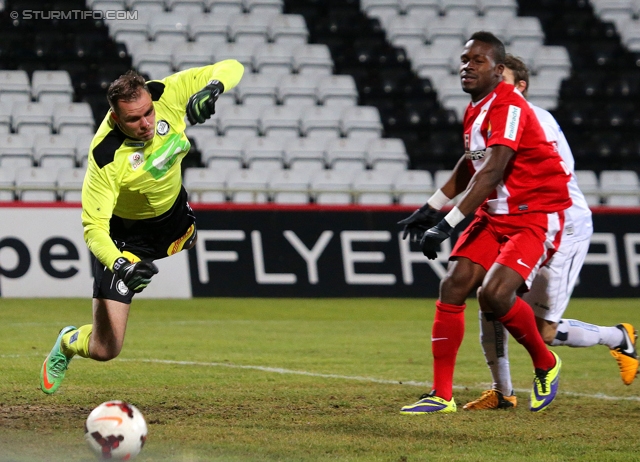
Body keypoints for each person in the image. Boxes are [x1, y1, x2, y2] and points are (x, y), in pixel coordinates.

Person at [40, 61, 244, 394]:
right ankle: (68, 341)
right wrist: (122, 265)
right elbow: (93, 228)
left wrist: (213, 88)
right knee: (107, 349)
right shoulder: (106, 155)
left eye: (148, 112)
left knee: (189, 238)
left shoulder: (167, 93)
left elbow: (232, 66)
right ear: (116, 118)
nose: (146, 123)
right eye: (133, 119)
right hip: (125, 241)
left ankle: (177, 235)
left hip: (174, 218)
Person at [398, 31, 571, 414]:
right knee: (454, 285)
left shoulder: (509, 107)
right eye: (464, 59)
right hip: (494, 216)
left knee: (494, 295)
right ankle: (441, 396)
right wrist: (432, 207)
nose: (467, 66)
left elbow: (492, 171)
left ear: (498, 69)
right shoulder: (477, 106)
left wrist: (446, 225)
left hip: (531, 215)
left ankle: (546, 362)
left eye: (478, 60)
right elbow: (471, 162)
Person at [462, 54, 638, 410]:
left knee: (541, 330)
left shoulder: (535, 118)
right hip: (517, 220)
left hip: (560, 224)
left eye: (503, 79)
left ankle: (617, 336)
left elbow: (551, 177)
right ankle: (502, 391)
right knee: (491, 297)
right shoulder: (489, 119)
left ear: (520, 86)